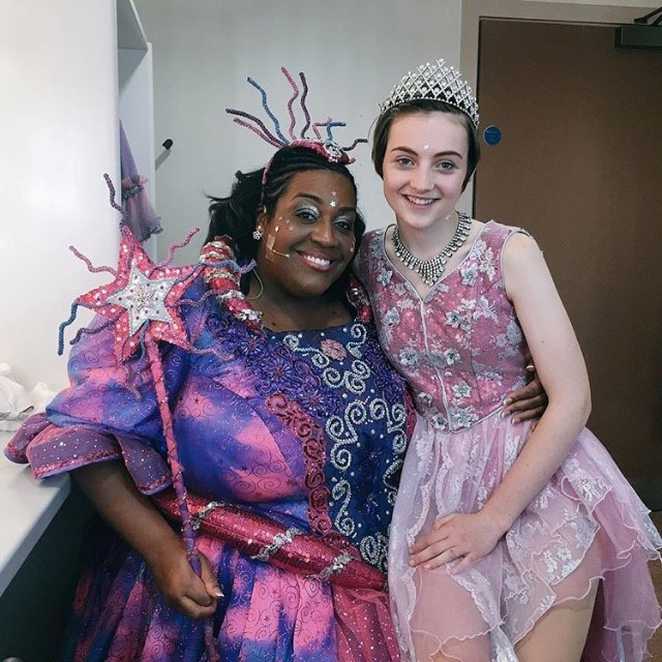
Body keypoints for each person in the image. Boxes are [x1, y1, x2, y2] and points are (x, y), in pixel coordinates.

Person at [5, 69, 545, 662]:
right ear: (263, 219)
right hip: (219, 608)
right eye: (306, 213)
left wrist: (520, 378)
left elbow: (446, 354)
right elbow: (89, 434)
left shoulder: (369, 309)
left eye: (344, 223)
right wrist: (161, 550)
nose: (327, 237)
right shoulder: (187, 313)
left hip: (373, 598)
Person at [356, 59, 662, 662]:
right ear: (381, 164)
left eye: (446, 163)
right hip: (436, 482)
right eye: (405, 159)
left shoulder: (508, 250)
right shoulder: (363, 261)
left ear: (468, 170)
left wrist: (493, 520)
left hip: (540, 473)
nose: (424, 180)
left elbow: (572, 396)